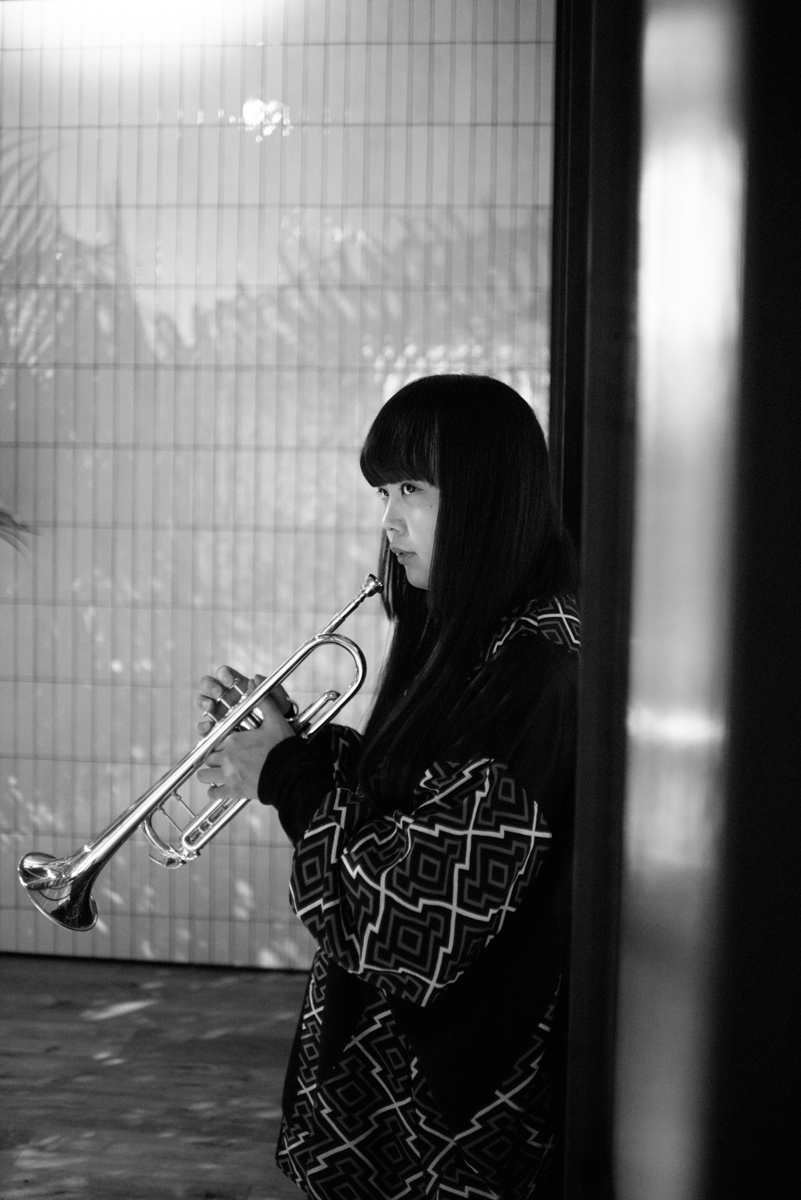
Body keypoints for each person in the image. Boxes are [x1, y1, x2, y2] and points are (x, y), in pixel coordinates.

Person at [195, 374, 580, 1200]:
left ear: (483, 494)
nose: (390, 522)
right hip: (405, 1082)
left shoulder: (536, 669)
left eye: (412, 489)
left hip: (448, 1106)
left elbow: (411, 920)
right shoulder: (483, 631)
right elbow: (416, 802)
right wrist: (292, 746)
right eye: (384, 493)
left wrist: (287, 773)